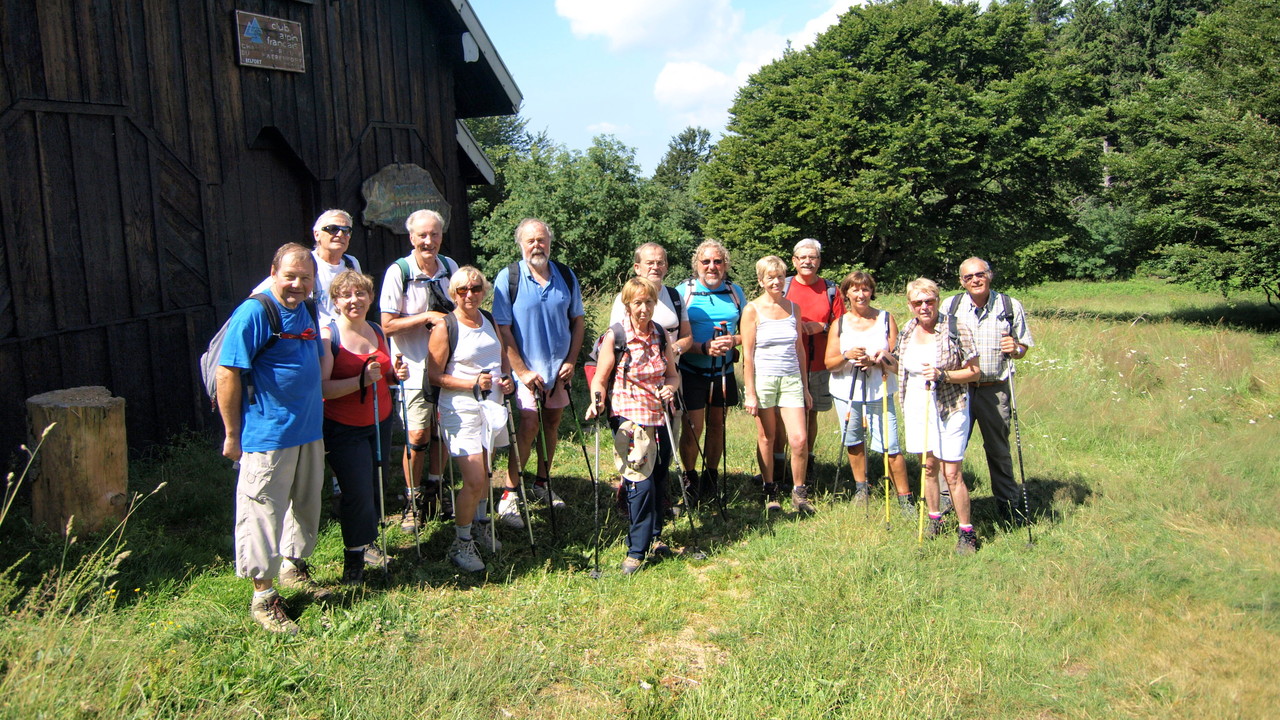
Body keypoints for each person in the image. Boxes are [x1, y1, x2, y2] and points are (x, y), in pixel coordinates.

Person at [216, 243, 328, 635]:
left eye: (305, 278)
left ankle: (294, 569)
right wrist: (232, 434)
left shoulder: (307, 310)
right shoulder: (255, 312)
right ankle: (263, 597)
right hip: (268, 434)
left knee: (306, 506)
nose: (297, 284)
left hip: (309, 430)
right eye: (290, 276)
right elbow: (227, 373)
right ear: (273, 272)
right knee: (263, 512)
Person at [492, 219, 585, 526]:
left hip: (558, 369)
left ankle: (542, 483)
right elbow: (502, 328)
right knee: (529, 423)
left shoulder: (566, 275)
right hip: (525, 371)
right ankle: (509, 492)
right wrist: (520, 369)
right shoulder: (509, 278)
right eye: (530, 240)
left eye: (542, 240)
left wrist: (571, 360)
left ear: (549, 242)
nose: (537, 245)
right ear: (520, 244)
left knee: (553, 423)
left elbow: (578, 322)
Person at [319, 271, 408, 586]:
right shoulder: (330, 337)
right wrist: (360, 380)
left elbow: (384, 375)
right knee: (356, 491)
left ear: (370, 298)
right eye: (346, 295)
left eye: (360, 294)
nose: (353, 300)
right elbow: (323, 389)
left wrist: (396, 373)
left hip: (380, 420)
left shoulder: (375, 330)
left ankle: (368, 543)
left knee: (375, 486)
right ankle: (353, 561)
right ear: (336, 301)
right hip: (345, 428)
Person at [586, 277, 681, 574]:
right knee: (640, 481)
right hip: (628, 415)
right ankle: (635, 552)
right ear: (627, 305)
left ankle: (655, 538)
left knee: (659, 477)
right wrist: (597, 401)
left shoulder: (661, 334)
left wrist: (671, 387)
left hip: (659, 414)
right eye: (637, 302)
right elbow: (600, 379)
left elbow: (673, 375)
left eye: (649, 302)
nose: (644, 308)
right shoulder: (616, 336)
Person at [429, 267, 515, 572]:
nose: (469, 294)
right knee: (475, 478)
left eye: (476, 288)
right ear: (453, 293)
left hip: (491, 406)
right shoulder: (446, 326)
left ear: (484, 290)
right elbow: (435, 376)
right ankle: (461, 542)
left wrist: (506, 379)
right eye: (462, 290)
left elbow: (500, 357)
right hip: (460, 409)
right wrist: (471, 384)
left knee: (487, 473)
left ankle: (479, 524)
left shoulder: (488, 319)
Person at [380, 209, 458, 531]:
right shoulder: (399, 271)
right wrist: (426, 317)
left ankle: (436, 490)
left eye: (435, 234)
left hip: (447, 364)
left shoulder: (450, 268)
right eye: (422, 235)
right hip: (412, 367)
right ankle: (412, 500)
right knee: (417, 434)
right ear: (411, 238)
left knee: (443, 432)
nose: (429, 241)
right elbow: (386, 325)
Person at [941, 257, 1035, 522]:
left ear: (989, 275)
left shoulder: (1008, 305)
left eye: (979, 274)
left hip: (995, 390)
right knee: (950, 451)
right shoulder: (951, 306)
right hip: (958, 390)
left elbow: (1023, 347)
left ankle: (1009, 505)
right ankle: (945, 506)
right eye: (968, 277)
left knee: (998, 450)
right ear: (961, 281)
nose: (975, 280)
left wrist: (1015, 349)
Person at [894, 278, 981, 554]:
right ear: (910, 305)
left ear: (937, 301)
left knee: (951, 472)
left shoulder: (955, 328)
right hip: (917, 405)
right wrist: (879, 358)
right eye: (918, 302)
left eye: (929, 301)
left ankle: (966, 531)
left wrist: (944, 375)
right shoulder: (907, 329)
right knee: (928, 467)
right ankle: (935, 518)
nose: (924, 307)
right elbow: (899, 364)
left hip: (950, 406)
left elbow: (975, 371)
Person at [824, 271, 912, 515]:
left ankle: (905, 499)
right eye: (855, 289)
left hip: (879, 391)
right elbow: (829, 363)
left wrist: (877, 360)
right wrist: (847, 356)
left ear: (872, 291)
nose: (860, 294)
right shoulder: (839, 323)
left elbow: (898, 362)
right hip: (846, 391)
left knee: (890, 446)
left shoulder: (886, 319)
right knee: (853, 441)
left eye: (865, 289)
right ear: (847, 293)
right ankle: (862, 489)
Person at [741, 256, 815, 515]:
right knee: (767, 437)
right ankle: (769, 489)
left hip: (792, 378)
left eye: (780, 276)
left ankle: (799, 491)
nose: (776, 281)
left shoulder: (794, 308)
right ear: (761, 281)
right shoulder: (752, 310)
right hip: (764, 380)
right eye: (770, 277)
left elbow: (799, 350)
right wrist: (750, 392)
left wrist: (805, 388)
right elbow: (747, 355)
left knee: (799, 439)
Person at [676, 240, 746, 507]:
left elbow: (748, 332)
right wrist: (703, 347)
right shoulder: (685, 292)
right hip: (692, 370)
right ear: (697, 265)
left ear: (725, 264)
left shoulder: (735, 292)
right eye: (706, 262)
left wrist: (734, 341)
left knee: (718, 426)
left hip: (723, 371)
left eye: (717, 261)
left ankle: (711, 477)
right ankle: (690, 478)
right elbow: (676, 337)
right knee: (693, 428)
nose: (712, 267)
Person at [771, 239, 845, 483]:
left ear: (819, 262)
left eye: (812, 257)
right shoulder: (785, 286)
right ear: (793, 261)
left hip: (818, 363)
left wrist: (821, 327)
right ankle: (779, 464)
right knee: (783, 415)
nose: (807, 262)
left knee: (810, 414)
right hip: (787, 362)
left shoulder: (831, 289)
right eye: (802, 258)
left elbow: (842, 324)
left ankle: (807, 462)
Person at [252, 209, 361, 326]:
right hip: (312, 336)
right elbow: (258, 298)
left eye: (346, 230)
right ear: (316, 234)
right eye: (333, 229)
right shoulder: (304, 262)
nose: (340, 234)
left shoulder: (352, 263)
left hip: (345, 335)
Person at [608, 242, 692, 347]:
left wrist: (674, 350)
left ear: (666, 267)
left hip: (671, 362)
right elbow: (614, 338)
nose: (655, 267)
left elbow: (687, 335)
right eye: (650, 263)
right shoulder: (624, 298)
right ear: (637, 268)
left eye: (660, 262)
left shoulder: (675, 296)